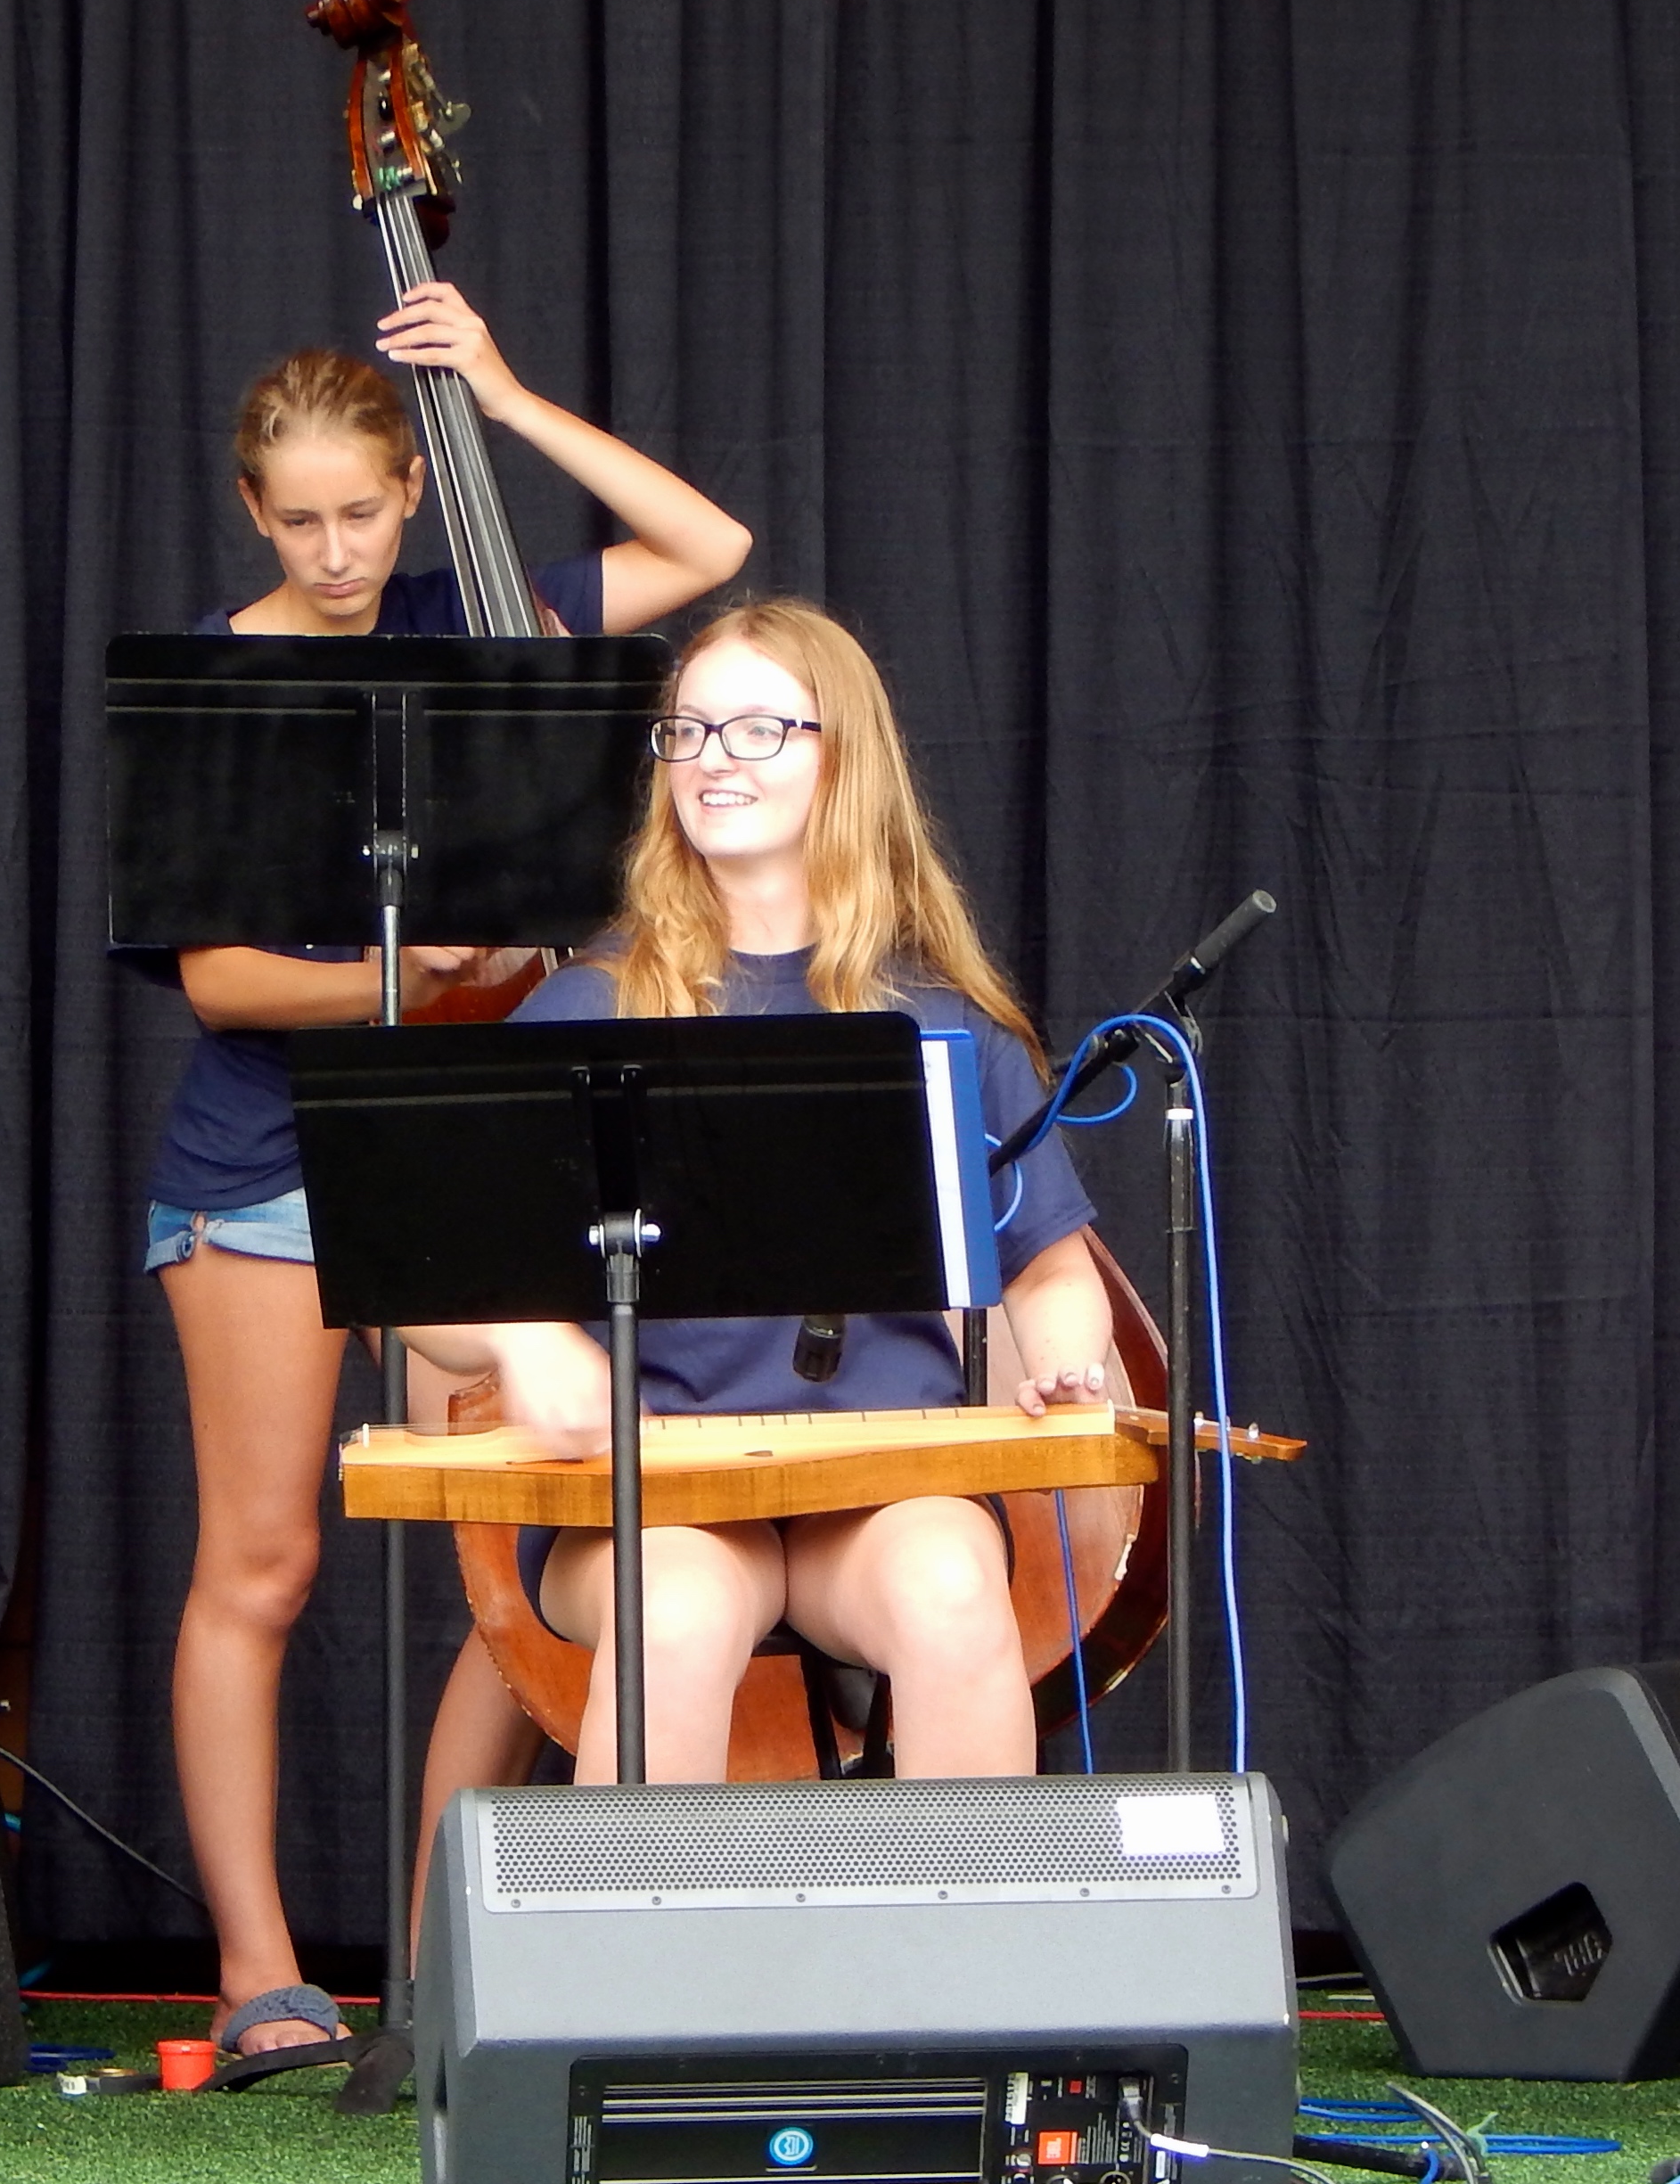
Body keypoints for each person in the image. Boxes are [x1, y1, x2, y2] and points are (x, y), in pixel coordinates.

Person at [149, 282, 751, 2061]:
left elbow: (706, 548)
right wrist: (414, 975)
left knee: (502, 1568)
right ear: (253, 514)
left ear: (411, 489)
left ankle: (444, 1960)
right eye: (300, 522)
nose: (338, 553)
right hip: (266, 1158)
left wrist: (500, 391)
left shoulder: (479, 613)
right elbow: (224, 982)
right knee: (263, 1566)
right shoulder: (216, 684)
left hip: (473, 1151)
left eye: (363, 511)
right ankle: (260, 1975)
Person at [402, 598, 1113, 1783]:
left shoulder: (940, 1017)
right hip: (652, 1496)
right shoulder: (587, 1008)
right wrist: (527, 1339)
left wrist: (1066, 1358)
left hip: (878, 1485)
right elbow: (429, 1282)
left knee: (951, 1588)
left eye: (756, 730)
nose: (710, 759)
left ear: (845, 757)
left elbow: (1051, 1271)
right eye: (687, 730)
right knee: (672, 1612)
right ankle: (642, 1915)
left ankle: (965, 1912)